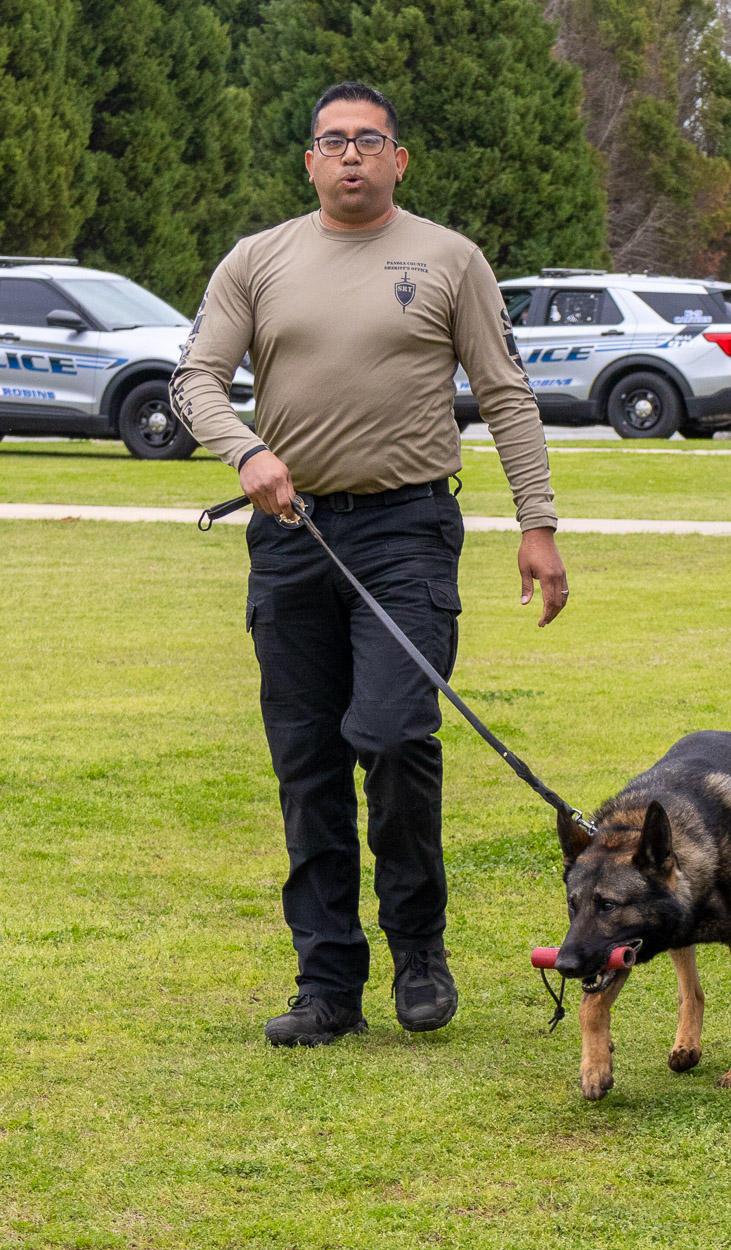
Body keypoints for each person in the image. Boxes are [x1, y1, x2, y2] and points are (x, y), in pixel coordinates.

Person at [170, 80, 567, 1045]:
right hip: (292, 534)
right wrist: (247, 453)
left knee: (392, 735)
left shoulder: (449, 259)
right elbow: (195, 380)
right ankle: (327, 984)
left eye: (369, 140)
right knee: (307, 762)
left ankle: (419, 951)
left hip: (407, 533)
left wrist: (538, 522)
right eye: (334, 141)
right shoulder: (257, 260)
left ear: (398, 159)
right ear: (310, 160)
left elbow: (506, 394)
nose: (351, 155)